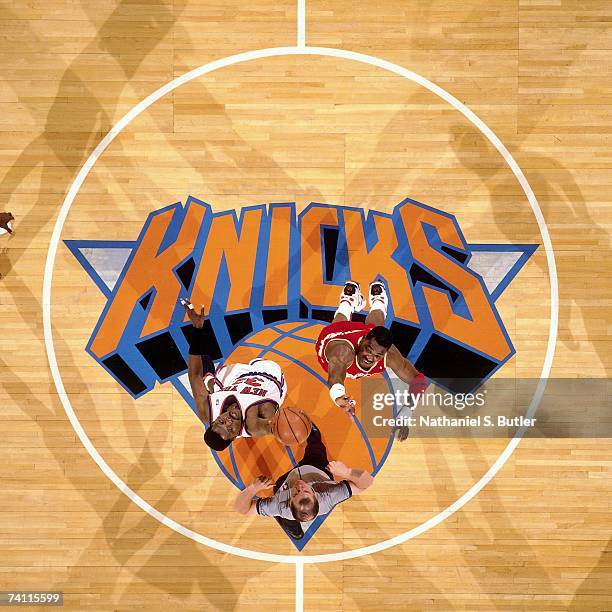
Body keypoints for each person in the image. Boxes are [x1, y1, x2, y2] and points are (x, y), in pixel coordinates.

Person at [315, 279, 429, 440]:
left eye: (377, 356)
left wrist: (407, 410)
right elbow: (335, 375)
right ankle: (347, 300)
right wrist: (338, 395)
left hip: (369, 333)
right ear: (364, 340)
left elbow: (419, 381)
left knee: (377, 324)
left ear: (385, 353)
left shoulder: (389, 355)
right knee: (340, 320)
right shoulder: (343, 351)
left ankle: (378, 299)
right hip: (337, 336)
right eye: (369, 350)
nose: (370, 358)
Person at [233, 424, 373, 540]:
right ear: (316, 495)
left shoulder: (281, 506)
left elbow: (241, 509)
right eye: (305, 491)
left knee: (288, 520)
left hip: (286, 481)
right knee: (317, 446)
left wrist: (252, 488)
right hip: (315, 467)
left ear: (289, 502)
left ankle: (295, 531)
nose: (299, 486)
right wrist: (347, 472)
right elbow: (367, 482)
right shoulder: (329, 495)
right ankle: (310, 432)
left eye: (295, 494)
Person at [183, 299, 288, 452]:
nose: (229, 421)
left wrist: (197, 329)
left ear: (213, 421)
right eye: (231, 430)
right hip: (270, 375)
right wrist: (286, 430)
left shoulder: (207, 412)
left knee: (209, 382)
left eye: (221, 422)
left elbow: (193, 375)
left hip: (238, 379)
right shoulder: (253, 424)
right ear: (234, 437)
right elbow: (271, 427)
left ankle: (210, 378)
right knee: (217, 388)